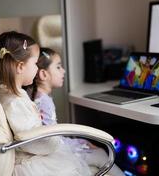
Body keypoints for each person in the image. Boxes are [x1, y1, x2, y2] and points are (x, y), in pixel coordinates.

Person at [0, 31, 91, 176]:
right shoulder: (14, 103)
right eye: (35, 63)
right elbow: (32, 140)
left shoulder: (11, 95)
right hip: (32, 161)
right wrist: (55, 143)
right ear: (21, 67)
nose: (37, 68)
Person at [27, 47, 124, 176]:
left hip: (53, 146)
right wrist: (79, 143)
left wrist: (79, 142)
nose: (63, 71)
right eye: (58, 67)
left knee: (92, 147)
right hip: (56, 152)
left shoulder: (37, 97)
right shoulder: (44, 102)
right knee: (101, 153)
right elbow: (52, 139)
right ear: (44, 74)